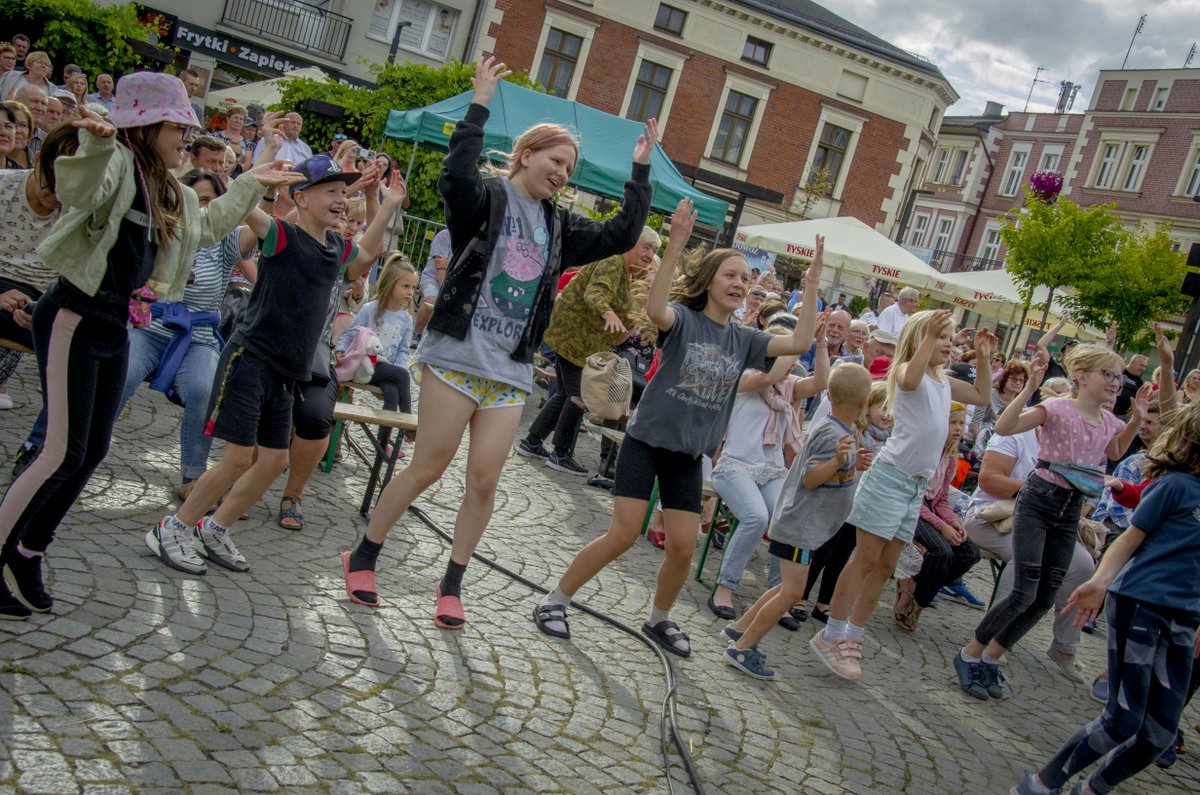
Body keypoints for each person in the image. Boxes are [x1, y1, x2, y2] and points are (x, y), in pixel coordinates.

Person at [339, 56, 654, 626]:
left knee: (484, 480)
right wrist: (478, 104)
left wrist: (640, 172)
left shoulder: (559, 224)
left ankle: (452, 584)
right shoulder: (485, 198)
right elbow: (453, 177)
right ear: (528, 154)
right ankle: (364, 555)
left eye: (570, 168)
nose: (562, 173)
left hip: (507, 369)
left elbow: (621, 234)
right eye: (556, 160)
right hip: (458, 354)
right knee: (430, 466)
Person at [0, 75, 301, 620]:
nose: (187, 132)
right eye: (177, 123)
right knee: (57, 451)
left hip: (117, 323)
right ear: (148, 124)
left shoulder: (173, 189)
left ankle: (27, 551)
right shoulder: (116, 161)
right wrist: (94, 141)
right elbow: (78, 190)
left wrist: (252, 181)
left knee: (90, 450)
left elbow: (207, 228)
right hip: (74, 313)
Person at [533, 214, 824, 657]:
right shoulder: (685, 320)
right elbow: (654, 310)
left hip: (688, 456)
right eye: (731, 274)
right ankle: (555, 599)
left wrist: (813, 283)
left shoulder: (746, 339)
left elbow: (799, 342)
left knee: (684, 547)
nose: (740, 283)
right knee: (623, 534)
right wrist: (675, 247)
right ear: (709, 281)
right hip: (646, 443)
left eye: (746, 278)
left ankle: (659, 618)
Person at [146, 156, 403, 574]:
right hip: (251, 360)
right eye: (331, 191)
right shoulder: (280, 233)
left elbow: (367, 254)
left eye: (344, 191)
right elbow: (242, 211)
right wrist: (250, 180)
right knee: (237, 459)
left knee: (273, 461)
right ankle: (173, 528)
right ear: (300, 198)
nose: (342, 199)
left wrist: (386, 203)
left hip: (289, 372)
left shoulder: (336, 247)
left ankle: (215, 528)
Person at [1011, 400, 1200, 795]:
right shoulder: (1176, 486)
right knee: (1123, 719)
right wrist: (1099, 582)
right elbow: (1130, 539)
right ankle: (1042, 785)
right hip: (1142, 603)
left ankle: (1091, 789)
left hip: (1184, 619)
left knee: (1160, 733)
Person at [953, 344, 1149, 700]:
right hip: (1039, 500)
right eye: (1107, 374)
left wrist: (1136, 419)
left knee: (1045, 596)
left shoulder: (1108, 421)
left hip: (1070, 508)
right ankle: (970, 653)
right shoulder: (1056, 408)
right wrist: (1029, 389)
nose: (1115, 383)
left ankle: (992, 659)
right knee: (1023, 590)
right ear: (1080, 377)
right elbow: (1006, 425)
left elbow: (1116, 451)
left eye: (1118, 377)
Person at [809, 310, 996, 681]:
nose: (947, 343)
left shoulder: (942, 382)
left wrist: (985, 359)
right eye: (941, 337)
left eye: (949, 337)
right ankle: (831, 634)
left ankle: (854, 636)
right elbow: (911, 374)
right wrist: (928, 336)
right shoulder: (905, 372)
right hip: (890, 478)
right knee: (864, 560)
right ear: (921, 337)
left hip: (913, 485)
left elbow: (982, 394)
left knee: (886, 565)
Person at [116, 168, 264, 499]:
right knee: (121, 373)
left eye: (209, 201)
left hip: (198, 334)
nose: (200, 209)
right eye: (193, 199)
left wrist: (266, 185)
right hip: (151, 325)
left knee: (202, 388)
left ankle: (193, 477)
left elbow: (264, 226)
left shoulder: (226, 239)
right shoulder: (165, 228)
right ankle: (82, 449)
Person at [721, 363, 872, 678]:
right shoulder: (833, 434)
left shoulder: (841, 431)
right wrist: (837, 461)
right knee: (791, 594)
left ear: (829, 396)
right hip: (800, 527)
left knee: (784, 590)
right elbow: (811, 478)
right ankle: (743, 648)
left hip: (805, 527)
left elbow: (833, 473)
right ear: (864, 402)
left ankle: (740, 630)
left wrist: (853, 465)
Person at [964, 376, 1098, 685]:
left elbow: (1088, 492)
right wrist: (1043, 491)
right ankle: (991, 639)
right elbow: (989, 480)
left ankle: (1064, 647)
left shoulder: (1077, 445)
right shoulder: (1019, 434)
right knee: (1028, 564)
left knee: (1082, 565)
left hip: (1049, 524)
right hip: (992, 516)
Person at [707, 311, 830, 621]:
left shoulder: (788, 387)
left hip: (771, 472)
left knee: (788, 522)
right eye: (786, 354)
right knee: (757, 517)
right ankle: (725, 586)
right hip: (733, 467)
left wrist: (821, 340)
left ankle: (778, 597)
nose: (792, 362)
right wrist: (793, 346)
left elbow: (822, 381)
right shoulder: (745, 378)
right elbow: (769, 377)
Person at [517, 227, 661, 474]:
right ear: (630, 245)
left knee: (565, 394)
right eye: (646, 247)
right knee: (579, 397)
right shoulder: (613, 262)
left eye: (654, 250)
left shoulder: (626, 274)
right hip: (573, 339)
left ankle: (532, 441)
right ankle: (560, 454)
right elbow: (594, 293)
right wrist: (609, 314)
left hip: (577, 342)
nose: (649, 254)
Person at [0, 125, 77, 414]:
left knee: (82, 351)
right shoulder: (4, 186)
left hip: (41, 298)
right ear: (38, 160)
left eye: (68, 188)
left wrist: (44, 312)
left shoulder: (76, 213)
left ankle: (46, 443)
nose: (57, 195)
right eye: (53, 181)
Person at [799, 380, 890, 622]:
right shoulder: (855, 432)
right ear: (868, 406)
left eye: (892, 409)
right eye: (883, 407)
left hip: (863, 504)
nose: (888, 414)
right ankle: (802, 595)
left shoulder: (890, 441)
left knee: (841, 556)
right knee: (824, 551)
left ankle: (823, 601)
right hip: (842, 499)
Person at [893, 402, 981, 631]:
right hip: (911, 506)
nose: (958, 428)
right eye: (952, 422)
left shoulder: (951, 458)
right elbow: (917, 497)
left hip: (931, 508)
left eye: (962, 423)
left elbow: (940, 499)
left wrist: (953, 522)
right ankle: (919, 601)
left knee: (970, 552)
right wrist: (942, 527)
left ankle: (915, 586)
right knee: (941, 551)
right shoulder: (927, 451)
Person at [335, 253, 416, 415]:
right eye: (406, 286)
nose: (410, 292)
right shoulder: (370, 309)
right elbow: (350, 333)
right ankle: (408, 421)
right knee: (403, 376)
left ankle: (383, 440)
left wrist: (395, 370)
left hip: (387, 370)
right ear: (390, 284)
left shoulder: (406, 319)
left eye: (414, 288)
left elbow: (403, 351)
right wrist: (340, 349)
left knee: (392, 393)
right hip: (365, 365)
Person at [971, 359, 1030, 445]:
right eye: (1014, 379)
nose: (1018, 383)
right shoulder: (988, 395)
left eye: (1021, 380)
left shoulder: (1021, 404)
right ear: (1004, 379)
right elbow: (976, 422)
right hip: (979, 441)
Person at [414, 227, 450, 335]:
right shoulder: (444, 236)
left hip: (453, 282)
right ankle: (417, 333)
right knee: (432, 302)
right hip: (432, 279)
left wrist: (448, 264)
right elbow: (439, 269)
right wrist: (446, 292)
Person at [216, 104, 255, 173]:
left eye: (241, 119)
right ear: (228, 119)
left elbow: (247, 164)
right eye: (235, 117)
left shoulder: (248, 144)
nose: (238, 121)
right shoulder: (216, 137)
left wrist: (232, 171)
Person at [1113, 353, 1148, 418]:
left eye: (1145, 367)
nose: (1143, 368)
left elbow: (1139, 399)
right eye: (1141, 365)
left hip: (1122, 415)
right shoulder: (1119, 371)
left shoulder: (1139, 382)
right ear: (1132, 363)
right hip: (1107, 409)